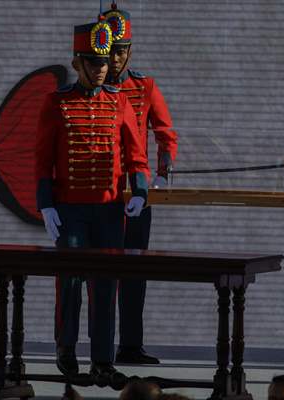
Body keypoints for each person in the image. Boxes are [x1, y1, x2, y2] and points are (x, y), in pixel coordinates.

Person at [35, 15, 149, 381]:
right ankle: (66, 348)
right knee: (70, 281)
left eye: (105, 61)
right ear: (76, 63)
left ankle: (102, 359)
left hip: (109, 209)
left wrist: (141, 189)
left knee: (106, 284)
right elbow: (42, 158)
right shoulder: (57, 103)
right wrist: (46, 203)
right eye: (94, 62)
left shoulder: (119, 102)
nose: (102, 68)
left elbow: (136, 152)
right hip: (70, 208)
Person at [102, 1, 178, 366]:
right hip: (98, 191)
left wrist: (162, 172)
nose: (115, 59)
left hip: (136, 191)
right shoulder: (91, 89)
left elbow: (165, 132)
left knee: (133, 271)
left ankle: (130, 344)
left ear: (130, 51)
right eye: (110, 52)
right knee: (97, 272)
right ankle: (90, 345)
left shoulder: (144, 86)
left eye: (121, 52)